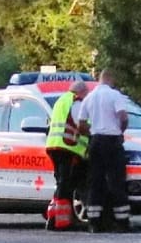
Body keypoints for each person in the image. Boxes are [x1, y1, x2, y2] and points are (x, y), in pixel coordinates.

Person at [75, 68, 133, 232]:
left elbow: (81, 124)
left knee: (95, 181)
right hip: (112, 140)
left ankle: (94, 222)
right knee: (117, 181)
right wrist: (121, 132)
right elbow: (123, 117)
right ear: (111, 79)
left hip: (96, 141)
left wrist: (92, 134)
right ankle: (122, 222)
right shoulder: (115, 95)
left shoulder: (89, 97)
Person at [44, 79, 89, 230]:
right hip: (67, 146)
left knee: (61, 182)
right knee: (65, 183)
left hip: (54, 145)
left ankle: (52, 218)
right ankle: (62, 222)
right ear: (81, 92)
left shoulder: (60, 100)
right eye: (86, 94)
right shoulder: (76, 101)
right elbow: (80, 123)